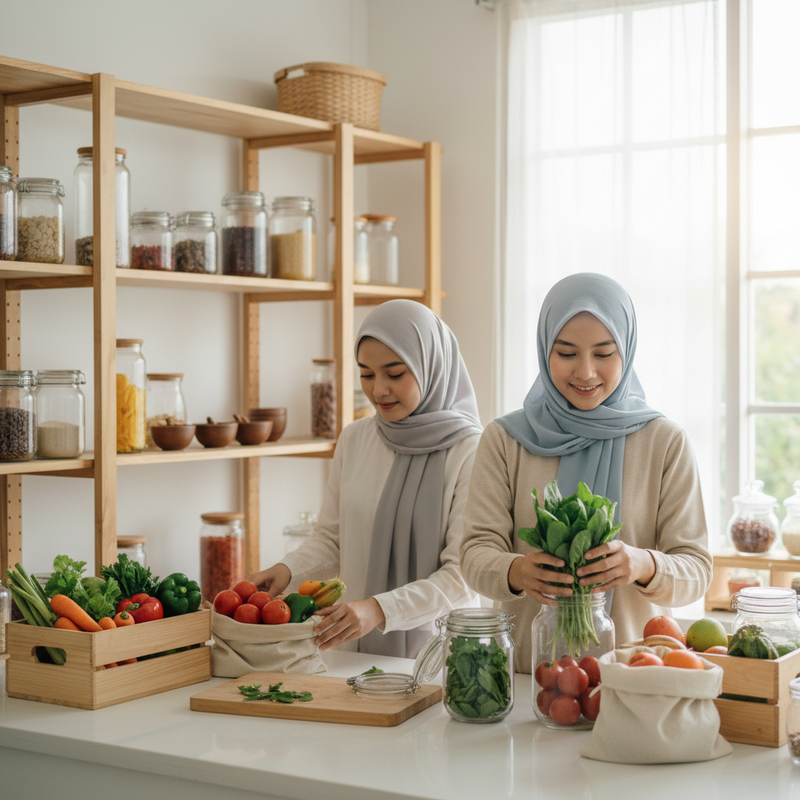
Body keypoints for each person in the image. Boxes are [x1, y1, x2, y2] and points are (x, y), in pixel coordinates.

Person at [459, 272, 712, 673]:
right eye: (566, 353)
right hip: (529, 680)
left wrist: (642, 563)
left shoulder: (664, 441)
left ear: (626, 351)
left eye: (604, 353)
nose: (586, 372)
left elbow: (697, 570)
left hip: (633, 677)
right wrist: (517, 570)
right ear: (545, 351)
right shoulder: (506, 439)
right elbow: (473, 554)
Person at [247, 299, 483, 658]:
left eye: (395, 372)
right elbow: (332, 539)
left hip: (442, 657)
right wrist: (285, 570)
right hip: (353, 651)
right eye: (367, 374)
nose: (378, 390)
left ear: (430, 366)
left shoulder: (470, 450)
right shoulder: (355, 439)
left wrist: (378, 609)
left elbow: (463, 577)